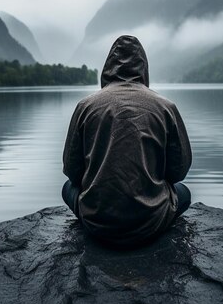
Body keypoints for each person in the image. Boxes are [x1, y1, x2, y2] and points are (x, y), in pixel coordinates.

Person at [61, 35, 192, 247]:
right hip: (151, 222)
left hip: (97, 223)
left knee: (67, 187)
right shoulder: (166, 107)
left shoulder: (85, 106)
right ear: (144, 68)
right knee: (184, 193)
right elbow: (179, 172)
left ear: (107, 68)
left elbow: (71, 170)